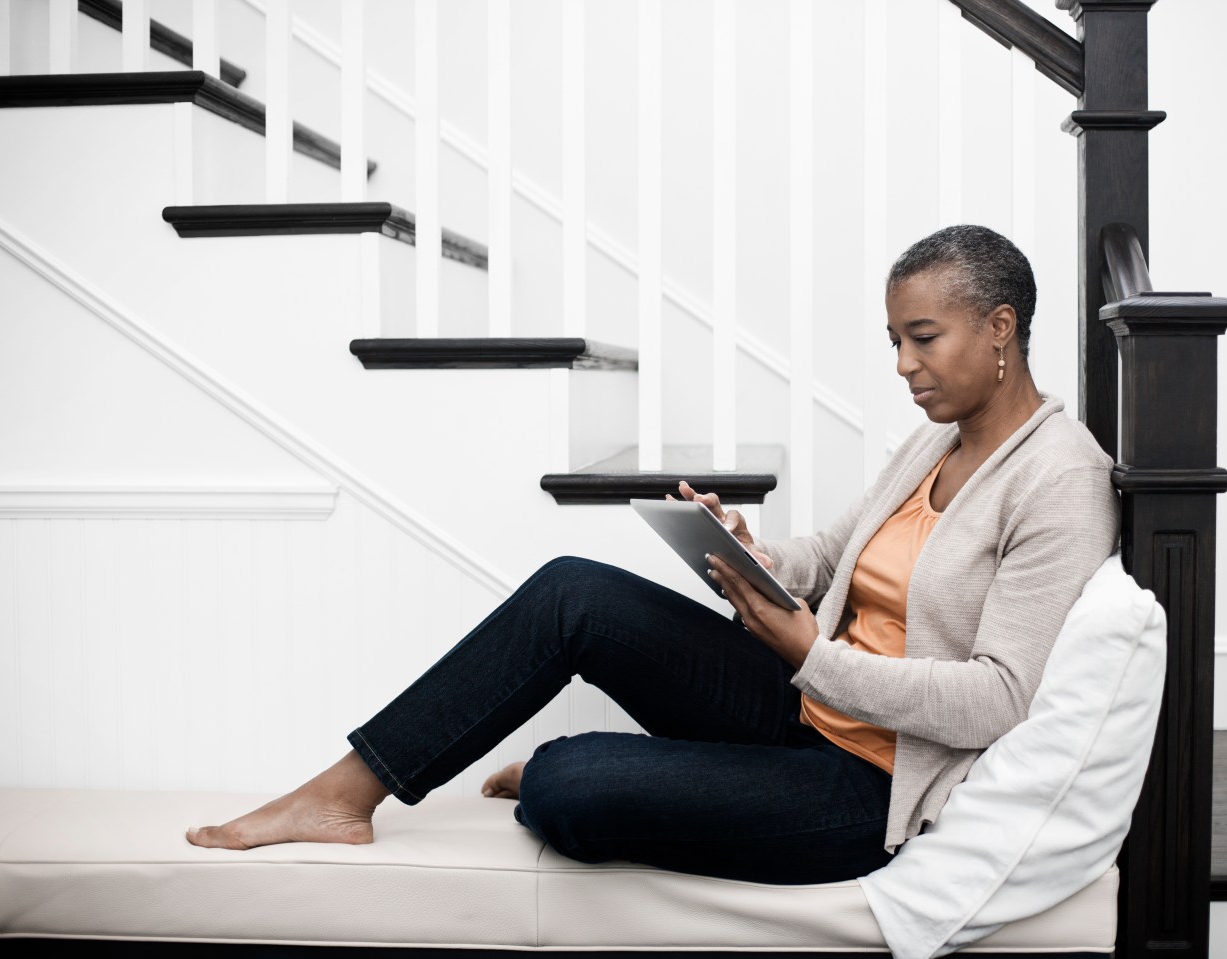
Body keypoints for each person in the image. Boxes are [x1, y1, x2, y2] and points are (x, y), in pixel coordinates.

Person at [186, 224, 1118, 886]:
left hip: (869, 785)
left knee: (566, 787)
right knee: (570, 592)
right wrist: (751, 555)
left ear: (1000, 327)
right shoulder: (935, 440)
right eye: (896, 342)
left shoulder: (1060, 480)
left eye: (924, 339)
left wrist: (810, 656)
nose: (906, 365)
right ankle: (345, 792)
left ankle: (602, 765)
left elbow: (1000, 699)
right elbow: (834, 559)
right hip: (804, 703)